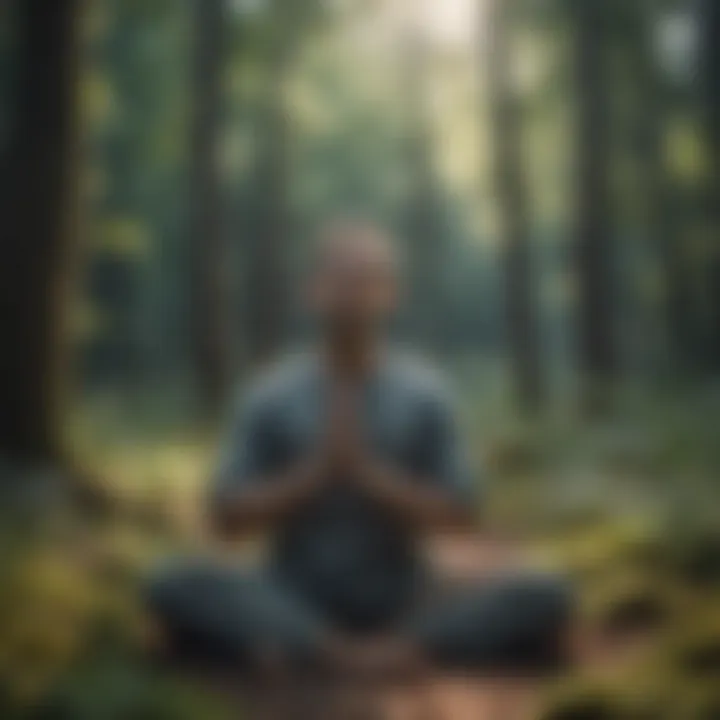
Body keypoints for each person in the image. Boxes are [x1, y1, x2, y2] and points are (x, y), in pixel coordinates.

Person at [144, 220, 572, 679]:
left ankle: (400, 647)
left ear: (391, 293)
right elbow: (225, 517)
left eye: (368, 280)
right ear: (314, 290)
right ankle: (329, 649)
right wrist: (312, 476)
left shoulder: (425, 393)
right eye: (340, 279)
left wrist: (372, 478)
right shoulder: (271, 393)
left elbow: (462, 512)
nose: (353, 294)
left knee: (545, 589)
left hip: (405, 593)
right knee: (171, 582)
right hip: (292, 590)